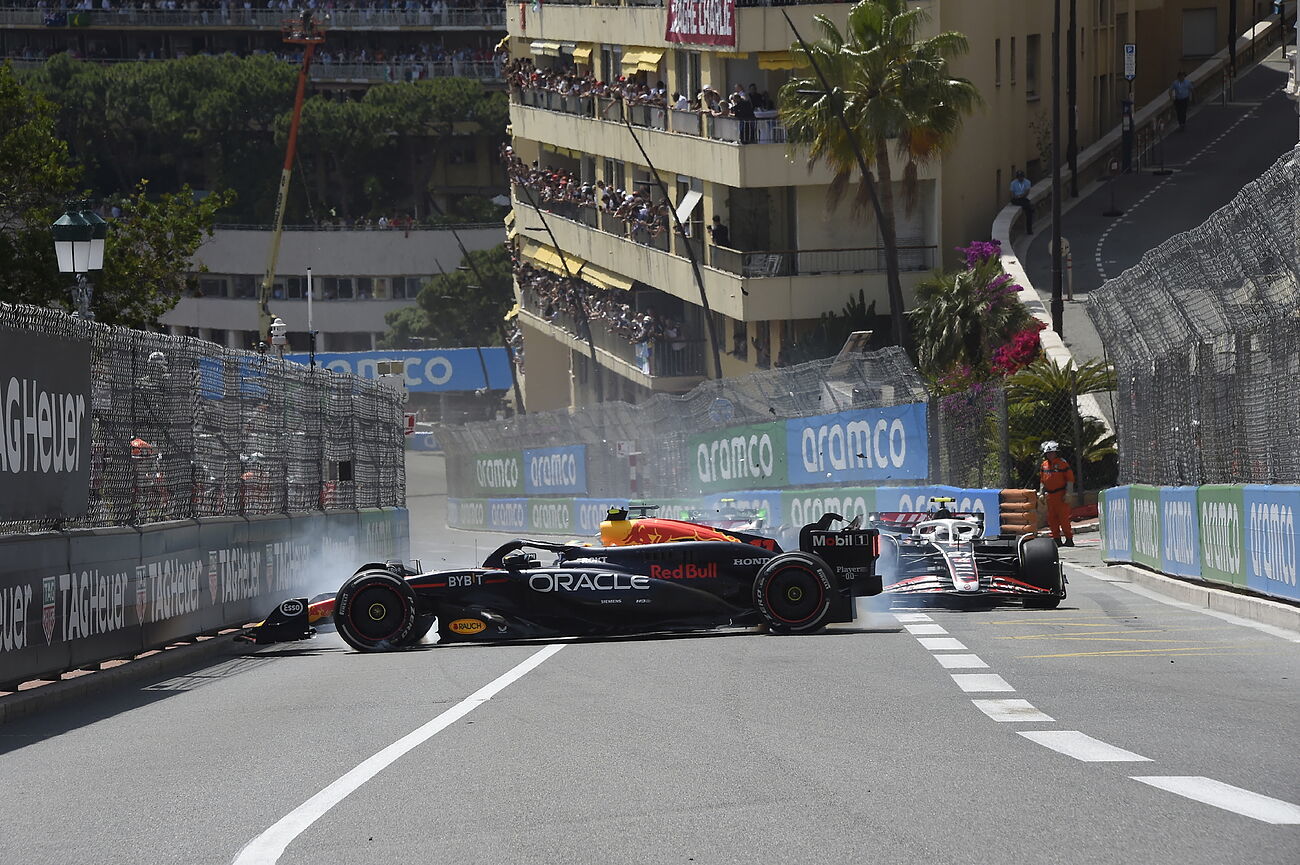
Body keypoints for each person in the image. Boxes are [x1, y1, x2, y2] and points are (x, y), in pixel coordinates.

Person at [1038, 441, 1075, 547]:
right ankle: (1056, 539)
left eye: (1052, 453)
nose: (1050, 455)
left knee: (1064, 518)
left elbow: (1070, 479)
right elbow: (1042, 480)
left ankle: (1069, 538)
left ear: (1056, 453)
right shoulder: (1044, 465)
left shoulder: (1063, 463)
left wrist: (1068, 493)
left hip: (1061, 495)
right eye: (1048, 453)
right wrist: (1041, 492)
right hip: (1050, 496)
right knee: (1052, 519)